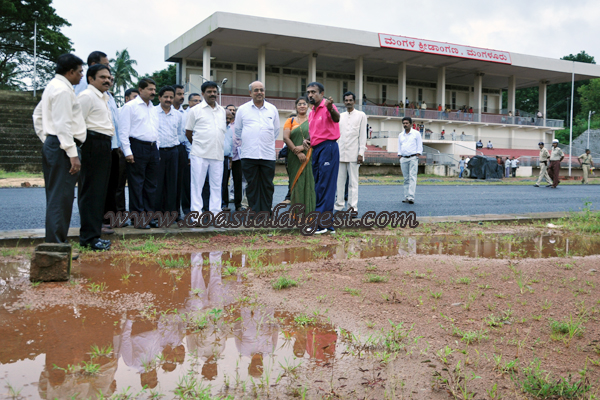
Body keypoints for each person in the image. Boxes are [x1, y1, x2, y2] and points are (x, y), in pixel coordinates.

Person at [33, 53, 86, 244]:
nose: (81, 76)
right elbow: (63, 125)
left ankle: (55, 243)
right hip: (63, 147)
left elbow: (37, 115)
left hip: (55, 144)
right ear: (70, 72)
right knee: (61, 198)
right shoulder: (63, 90)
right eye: (80, 72)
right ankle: (56, 246)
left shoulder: (53, 86)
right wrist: (72, 153)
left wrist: (47, 138)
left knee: (56, 196)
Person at [77, 64, 115, 251]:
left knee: (99, 193)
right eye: (102, 77)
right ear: (90, 79)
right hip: (92, 144)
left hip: (104, 145)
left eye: (109, 77)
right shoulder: (86, 96)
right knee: (91, 193)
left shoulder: (104, 98)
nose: (107, 80)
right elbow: (76, 124)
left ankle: (94, 235)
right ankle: (88, 238)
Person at [119, 78, 159, 229]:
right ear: (140, 90)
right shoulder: (130, 107)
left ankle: (149, 216)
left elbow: (156, 130)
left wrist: (157, 149)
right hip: (137, 146)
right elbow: (123, 131)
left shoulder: (153, 108)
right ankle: (137, 218)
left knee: (151, 185)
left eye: (154, 89)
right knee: (137, 184)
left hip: (152, 147)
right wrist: (128, 152)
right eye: (150, 89)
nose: (153, 92)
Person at [235, 81, 280, 214]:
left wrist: (264, 141)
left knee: (267, 185)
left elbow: (276, 131)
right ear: (250, 93)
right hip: (249, 154)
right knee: (252, 185)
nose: (259, 92)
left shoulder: (272, 109)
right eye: (256, 90)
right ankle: (254, 213)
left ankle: (266, 213)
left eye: (261, 90)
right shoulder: (242, 109)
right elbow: (238, 130)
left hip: (267, 154)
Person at [185, 81, 227, 217]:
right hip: (199, 154)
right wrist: (199, 145)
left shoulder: (222, 111)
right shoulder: (195, 110)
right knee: (197, 186)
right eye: (209, 92)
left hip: (217, 154)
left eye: (214, 91)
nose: (212, 94)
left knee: (216, 186)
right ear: (203, 93)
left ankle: (216, 214)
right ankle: (196, 215)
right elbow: (188, 132)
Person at [306, 82, 340, 234]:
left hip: (328, 148)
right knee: (320, 185)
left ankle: (320, 225)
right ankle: (327, 224)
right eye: (308, 92)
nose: (310, 95)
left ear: (321, 93)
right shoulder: (312, 112)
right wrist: (307, 140)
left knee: (325, 186)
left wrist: (331, 108)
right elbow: (315, 132)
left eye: (313, 92)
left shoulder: (327, 106)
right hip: (317, 149)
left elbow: (337, 119)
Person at [335, 91, 367, 216]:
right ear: (344, 102)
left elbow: (362, 135)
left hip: (354, 154)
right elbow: (337, 135)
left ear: (354, 101)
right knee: (339, 182)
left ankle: (353, 208)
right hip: (340, 153)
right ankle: (339, 206)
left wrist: (361, 153)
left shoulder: (361, 115)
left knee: (353, 183)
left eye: (350, 100)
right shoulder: (340, 116)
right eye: (346, 100)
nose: (348, 102)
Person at [283, 97, 315, 215]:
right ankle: (297, 214)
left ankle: (309, 213)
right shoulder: (290, 121)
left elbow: (316, 135)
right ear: (296, 107)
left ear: (307, 106)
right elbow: (286, 138)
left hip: (309, 155)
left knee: (309, 182)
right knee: (296, 183)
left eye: (304, 104)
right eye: (299, 104)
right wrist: (297, 152)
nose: (302, 106)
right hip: (294, 157)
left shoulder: (312, 120)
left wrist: (302, 148)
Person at [155, 86, 181, 216]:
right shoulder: (153, 112)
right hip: (157, 152)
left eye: (171, 97)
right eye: (165, 97)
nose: (168, 99)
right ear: (159, 97)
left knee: (172, 184)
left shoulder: (178, 115)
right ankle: (157, 214)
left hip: (173, 151)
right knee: (157, 183)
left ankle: (171, 214)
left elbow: (179, 133)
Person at [172, 84, 188, 221]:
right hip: (168, 148)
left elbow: (188, 134)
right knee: (168, 182)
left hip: (182, 149)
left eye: (183, 94)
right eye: (179, 94)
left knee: (181, 182)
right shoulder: (160, 111)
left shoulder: (186, 113)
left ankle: (178, 212)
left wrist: (189, 153)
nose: (182, 97)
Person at [397, 116, 422, 204]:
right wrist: (400, 155)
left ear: (411, 124)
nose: (405, 125)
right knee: (406, 178)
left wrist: (418, 154)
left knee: (412, 177)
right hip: (403, 158)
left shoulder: (416, 133)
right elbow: (399, 146)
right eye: (404, 123)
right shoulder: (401, 135)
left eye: (407, 123)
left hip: (413, 157)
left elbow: (419, 145)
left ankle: (411, 197)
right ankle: (406, 196)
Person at [222, 110, 234, 210]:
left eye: (230, 118)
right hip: (216, 159)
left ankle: (223, 204)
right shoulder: (217, 128)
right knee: (215, 183)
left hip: (226, 159)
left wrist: (230, 160)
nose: (228, 120)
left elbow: (230, 145)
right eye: (226, 118)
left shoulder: (230, 129)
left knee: (224, 182)